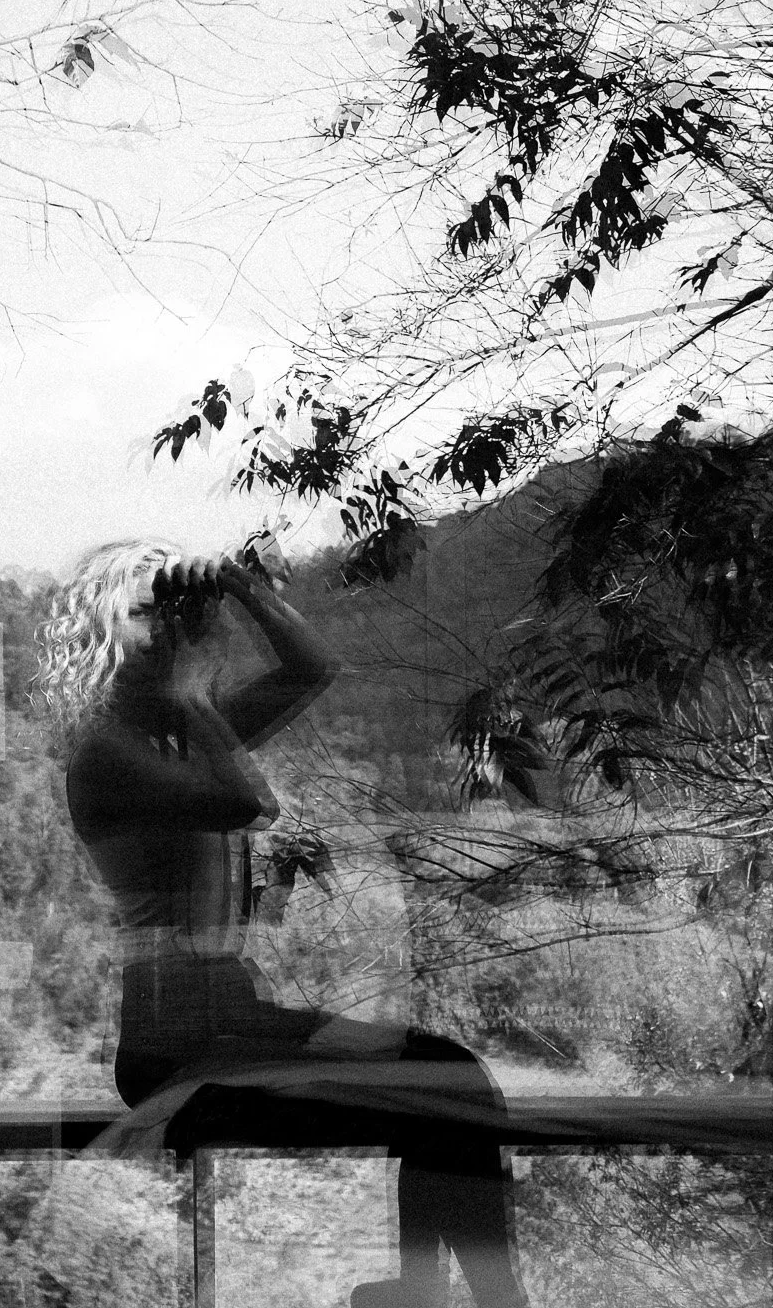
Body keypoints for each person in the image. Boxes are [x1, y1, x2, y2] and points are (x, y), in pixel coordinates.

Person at [35, 539, 526, 1308]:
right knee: (443, 1086)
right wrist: (195, 694)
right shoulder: (107, 751)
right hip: (179, 1051)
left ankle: (429, 1292)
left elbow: (312, 667)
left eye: (172, 611)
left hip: (234, 1023)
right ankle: (487, 1303)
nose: (166, 628)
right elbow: (249, 804)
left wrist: (239, 588)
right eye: (144, 613)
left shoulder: (182, 738)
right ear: (102, 631)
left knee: (449, 1074)